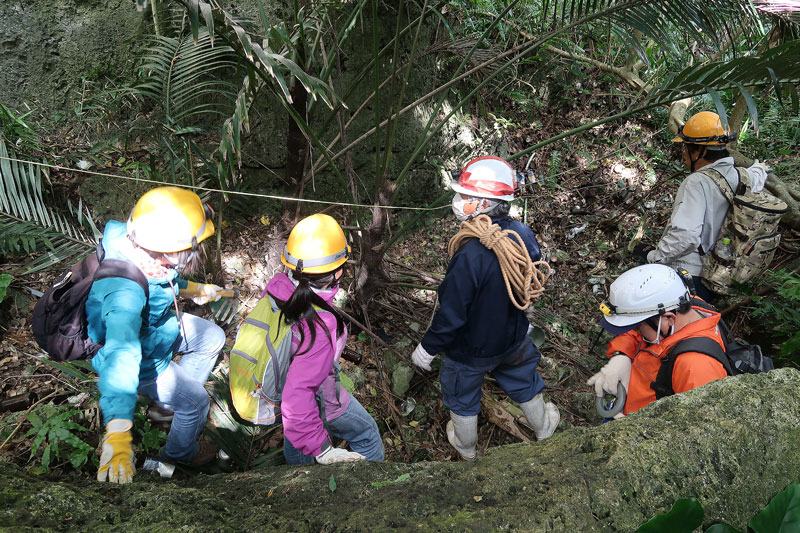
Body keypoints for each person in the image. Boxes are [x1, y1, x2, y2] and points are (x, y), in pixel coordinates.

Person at [410, 156, 559, 460]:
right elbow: (524, 279)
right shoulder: (522, 234)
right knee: (523, 381)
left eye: (466, 197)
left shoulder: (470, 256)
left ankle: (466, 449)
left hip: (469, 350)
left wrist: (427, 348)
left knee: (462, 397)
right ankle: (543, 427)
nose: (458, 201)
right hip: (512, 337)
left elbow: (451, 315)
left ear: (485, 205)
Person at [90, 186, 226, 484]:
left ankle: (166, 408)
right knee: (197, 403)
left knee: (212, 337)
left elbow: (164, 280)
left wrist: (197, 290)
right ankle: (179, 451)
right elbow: (121, 357)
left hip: (157, 331)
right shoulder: (123, 295)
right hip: (141, 359)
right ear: (172, 251)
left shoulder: (142, 245)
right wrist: (119, 431)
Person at [265, 213, 384, 465]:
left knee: (299, 454)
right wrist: (322, 449)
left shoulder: (277, 289)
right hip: (319, 400)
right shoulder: (321, 323)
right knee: (367, 434)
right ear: (339, 271)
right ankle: (372, 492)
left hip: (282, 395)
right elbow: (299, 392)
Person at [633, 111, 769, 301]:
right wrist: (760, 167)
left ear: (700, 152)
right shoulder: (744, 177)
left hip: (689, 277)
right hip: (720, 274)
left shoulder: (696, 182)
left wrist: (654, 257)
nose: (684, 155)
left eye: (687, 148)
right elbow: (760, 172)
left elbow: (686, 236)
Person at [588, 264, 728, 415]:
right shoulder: (681, 304)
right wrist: (621, 355)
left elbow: (697, 428)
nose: (635, 331)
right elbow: (640, 329)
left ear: (668, 319)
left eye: (637, 327)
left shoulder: (696, 366)